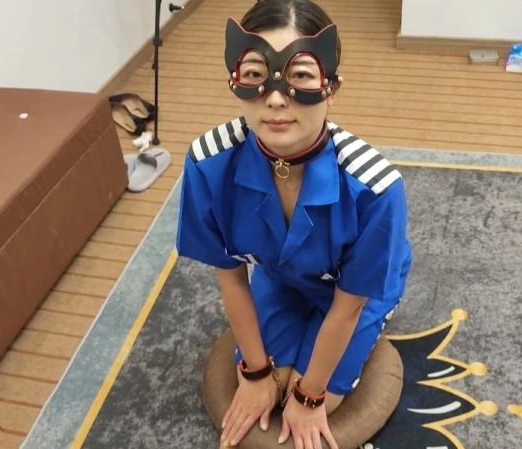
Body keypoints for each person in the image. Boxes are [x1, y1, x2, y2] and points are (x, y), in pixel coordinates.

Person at [175, 1, 411, 448]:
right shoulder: (208, 163)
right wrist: (256, 371)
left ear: (331, 87)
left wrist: (309, 395)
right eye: (256, 74)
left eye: (300, 75)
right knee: (271, 387)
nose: (276, 98)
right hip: (280, 276)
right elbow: (231, 278)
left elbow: (348, 307)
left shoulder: (376, 188)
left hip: (352, 292)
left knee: (317, 401)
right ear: (235, 78)